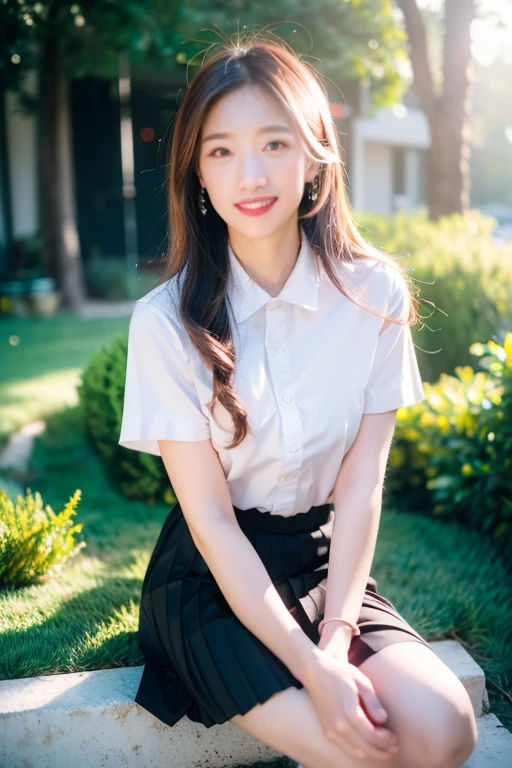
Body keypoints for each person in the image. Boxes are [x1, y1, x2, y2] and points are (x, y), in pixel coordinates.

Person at [118, 32, 478, 768]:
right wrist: (312, 668)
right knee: (364, 751)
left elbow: (362, 482)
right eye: (221, 151)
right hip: (211, 577)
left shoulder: (373, 294)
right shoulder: (163, 322)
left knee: (446, 733)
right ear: (198, 174)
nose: (250, 174)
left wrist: (337, 637)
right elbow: (213, 522)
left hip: (322, 563)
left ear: (315, 155)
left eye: (274, 143)